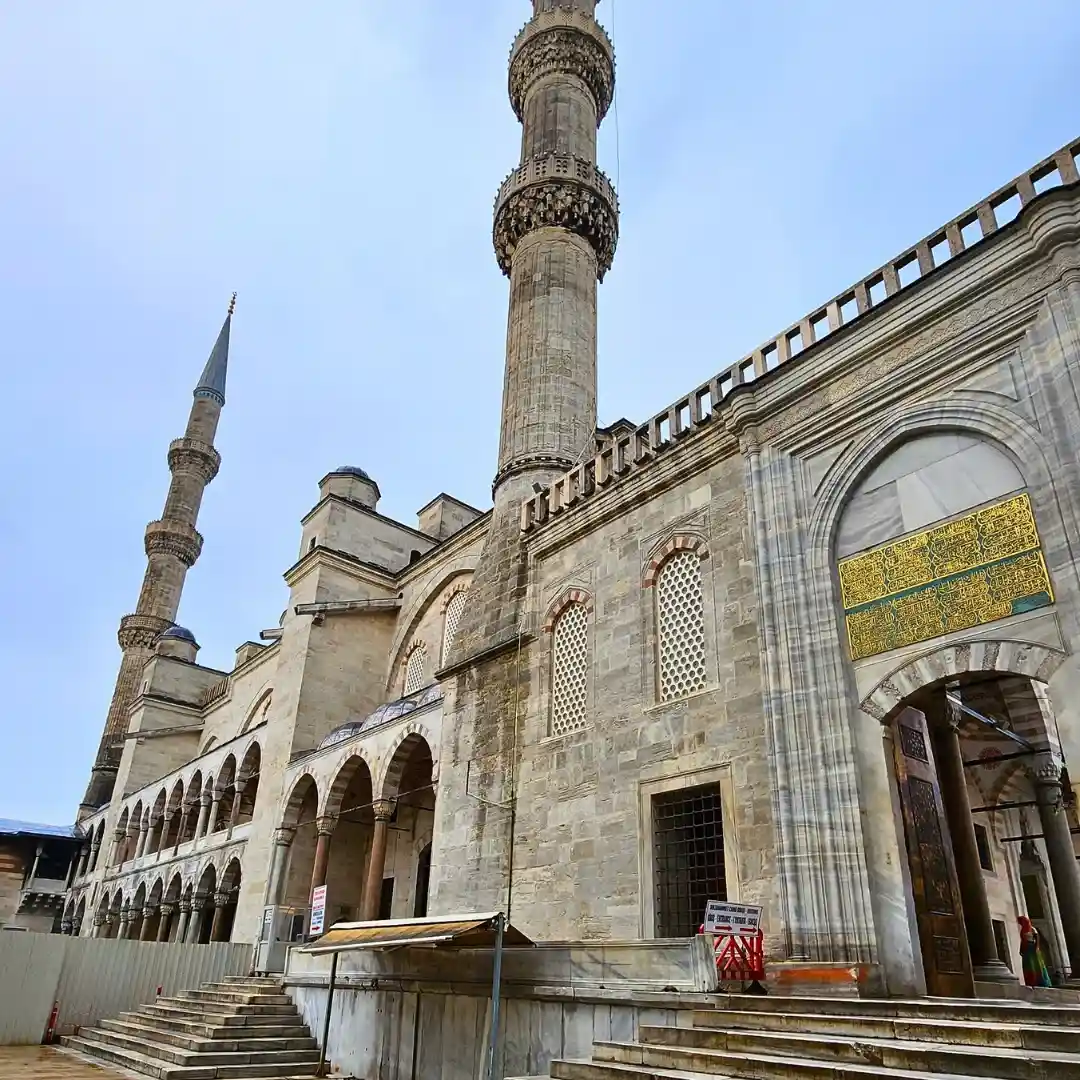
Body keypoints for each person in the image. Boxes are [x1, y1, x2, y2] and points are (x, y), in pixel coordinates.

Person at [1018, 915, 1053, 988]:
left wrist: (1036, 947)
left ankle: (1039, 982)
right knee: (1031, 967)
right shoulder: (1024, 930)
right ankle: (1033, 982)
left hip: (1032, 951)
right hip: (1028, 951)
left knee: (1036, 966)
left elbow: (1036, 940)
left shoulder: (1031, 930)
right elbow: (1023, 942)